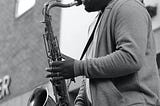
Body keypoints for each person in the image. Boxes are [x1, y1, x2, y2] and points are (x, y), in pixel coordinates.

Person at [45, 0, 160, 105]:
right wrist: (80, 102)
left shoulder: (128, 6)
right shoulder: (95, 23)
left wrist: (77, 67)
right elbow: (90, 79)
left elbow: (131, 58)